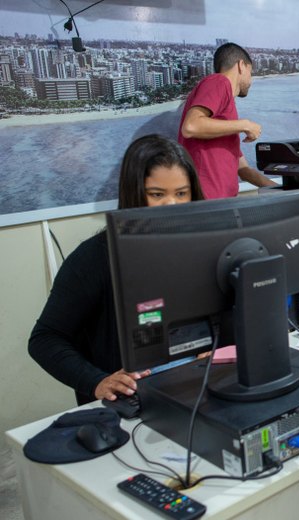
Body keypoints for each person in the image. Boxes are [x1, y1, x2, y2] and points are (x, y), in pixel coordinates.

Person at [28, 135, 205, 405]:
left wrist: (220, 346)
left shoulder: (202, 247)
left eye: (181, 193)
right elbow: (45, 339)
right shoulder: (94, 258)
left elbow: (225, 314)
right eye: (157, 194)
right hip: (138, 397)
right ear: (134, 192)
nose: (172, 205)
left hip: (200, 383)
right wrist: (96, 381)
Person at [178, 42, 276, 199]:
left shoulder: (224, 119)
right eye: (251, 72)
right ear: (241, 66)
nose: (251, 81)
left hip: (224, 202)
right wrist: (245, 125)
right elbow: (191, 126)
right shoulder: (219, 82)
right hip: (208, 201)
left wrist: (281, 189)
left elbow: (243, 170)